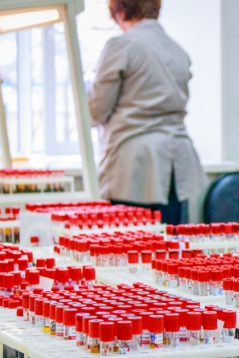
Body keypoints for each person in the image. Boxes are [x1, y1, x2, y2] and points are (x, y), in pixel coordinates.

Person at [88, 0, 206, 224]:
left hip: (134, 167)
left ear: (119, 11)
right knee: (169, 240)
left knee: (129, 243)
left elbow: (96, 110)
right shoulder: (177, 50)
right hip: (176, 165)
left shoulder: (121, 45)